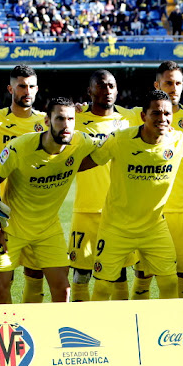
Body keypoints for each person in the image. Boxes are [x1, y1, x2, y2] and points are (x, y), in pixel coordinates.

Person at [79, 90, 183, 301]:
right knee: (102, 287)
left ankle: (165, 329)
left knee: (169, 283)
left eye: (167, 114)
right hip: (116, 228)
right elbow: (88, 161)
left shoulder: (178, 141)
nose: (163, 118)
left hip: (154, 227)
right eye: (156, 113)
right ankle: (96, 332)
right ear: (143, 116)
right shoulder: (120, 139)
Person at [0, 97, 98, 304]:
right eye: (60, 119)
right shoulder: (20, 147)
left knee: (63, 290)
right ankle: (7, 333)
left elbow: (109, 145)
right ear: (47, 121)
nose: (66, 125)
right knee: (0, 286)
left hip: (47, 229)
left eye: (71, 119)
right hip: (12, 228)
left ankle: (56, 334)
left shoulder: (81, 141)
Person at [131, 61, 183, 300]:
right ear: (157, 84)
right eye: (168, 83)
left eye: (178, 83)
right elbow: (106, 115)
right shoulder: (136, 115)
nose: (174, 88)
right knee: (143, 278)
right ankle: (137, 332)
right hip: (150, 212)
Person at [0, 65, 48, 302]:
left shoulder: (46, 122)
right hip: (3, 216)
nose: (26, 91)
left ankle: (33, 331)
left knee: (35, 275)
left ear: (37, 89)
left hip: (36, 212)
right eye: (21, 86)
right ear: (10, 89)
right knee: (1, 280)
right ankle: (4, 331)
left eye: (30, 86)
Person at [69, 70, 138, 302]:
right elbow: (44, 120)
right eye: (100, 86)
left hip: (119, 210)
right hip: (86, 209)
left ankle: (122, 326)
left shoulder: (131, 118)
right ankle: (81, 326)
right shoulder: (74, 118)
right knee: (81, 273)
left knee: (119, 272)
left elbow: (166, 108)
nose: (107, 90)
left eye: (111, 86)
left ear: (117, 90)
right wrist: (72, 108)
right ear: (89, 91)